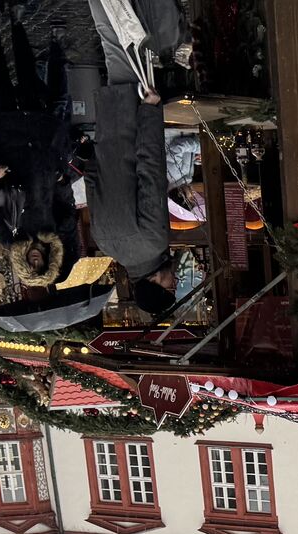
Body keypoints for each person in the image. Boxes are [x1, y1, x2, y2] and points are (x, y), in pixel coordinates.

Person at [85, 0, 178, 314]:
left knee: (123, 39)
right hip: (110, 127)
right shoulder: (106, 243)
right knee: (113, 45)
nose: (175, 279)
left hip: (133, 119)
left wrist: (150, 112)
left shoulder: (153, 241)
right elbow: (92, 180)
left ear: (155, 282)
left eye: (171, 285)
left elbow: (150, 170)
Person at [0, 12, 77, 290]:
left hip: (10, 149)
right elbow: (67, 208)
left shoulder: (9, 237)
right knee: (37, 84)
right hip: (44, 151)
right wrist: (61, 182)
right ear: (48, 261)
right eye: (40, 266)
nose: (35, 261)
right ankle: (21, 24)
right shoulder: (54, 232)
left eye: (31, 268)